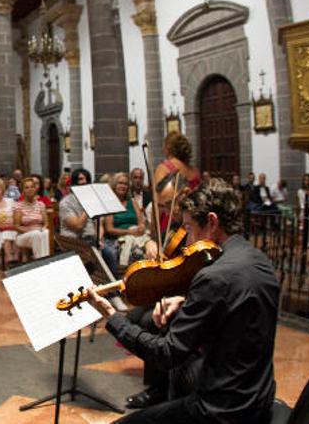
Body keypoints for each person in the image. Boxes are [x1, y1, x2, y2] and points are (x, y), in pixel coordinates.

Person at [85, 179, 279, 423]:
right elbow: (230, 307)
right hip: (258, 394)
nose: (186, 242)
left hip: (223, 410)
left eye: (188, 228)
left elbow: (166, 354)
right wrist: (185, 300)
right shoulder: (258, 259)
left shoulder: (213, 276)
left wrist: (112, 317)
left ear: (212, 222)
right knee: (180, 374)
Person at [103, 172, 148, 274]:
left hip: (136, 235)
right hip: (117, 239)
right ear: (114, 185)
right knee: (138, 253)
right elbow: (109, 229)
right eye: (120, 183)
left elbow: (141, 221)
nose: (123, 186)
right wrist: (129, 232)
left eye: (126, 184)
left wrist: (141, 226)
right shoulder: (109, 203)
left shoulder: (132, 202)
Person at [14, 177, 49, 261]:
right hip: (23, 235)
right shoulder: (18, 205)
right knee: (36, 234)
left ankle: (43, 261)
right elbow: (17, 226)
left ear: (35, 189)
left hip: (39, 232)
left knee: (46, 232)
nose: (30, 189)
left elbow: (46, 223)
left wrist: (43, 228)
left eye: (32, 187)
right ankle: (42, 263)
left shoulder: (41, 204)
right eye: (27, 187)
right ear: (23, 191)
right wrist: (32, 230)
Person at [59, 168, 96, 246]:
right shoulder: (66, 202)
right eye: (81, 179)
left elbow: (99, 224)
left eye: (86, 179)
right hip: (74, 241)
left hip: (91, 238)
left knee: (111, 254)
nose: (84, 182)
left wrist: (99, 239)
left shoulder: (92, 199)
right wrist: (88, 206)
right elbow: (78, 226)